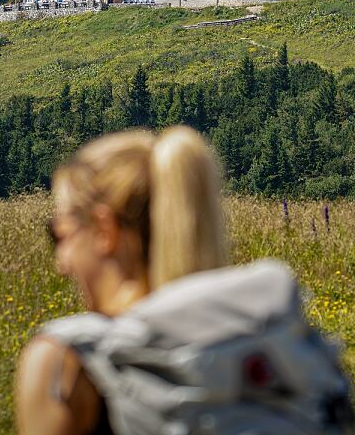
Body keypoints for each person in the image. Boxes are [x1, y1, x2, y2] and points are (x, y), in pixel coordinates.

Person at [15, 126, 229, 435]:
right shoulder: (246, 344)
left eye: (59, 235)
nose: (62, 264)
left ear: (104, 231)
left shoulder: (69, 362)